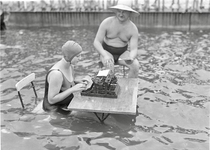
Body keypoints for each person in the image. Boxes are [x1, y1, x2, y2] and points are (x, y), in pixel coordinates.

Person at [93, 0, 140, 78]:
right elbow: (96, 42)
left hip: (122, 53)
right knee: (109, 65)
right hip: (107, 52)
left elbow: (134, 49)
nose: (121, 14)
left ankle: (130, 87)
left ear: (130, 13)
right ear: (116, 11)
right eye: (119, 11)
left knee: (135, 65)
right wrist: (104, 55)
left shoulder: (133, 29)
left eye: (124, 12)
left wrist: (131, 57)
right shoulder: (107, 22)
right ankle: (110, 88)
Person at [43, 40, 90, 114]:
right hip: (55, 109)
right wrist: (73, 89)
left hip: (66, 103)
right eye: (77, 56)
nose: (80, 58)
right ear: (69, 56)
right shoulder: (56, 74)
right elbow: (51, 100)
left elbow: (66, 85)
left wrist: (79, 83)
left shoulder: (70, 66)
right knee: (88, 116)